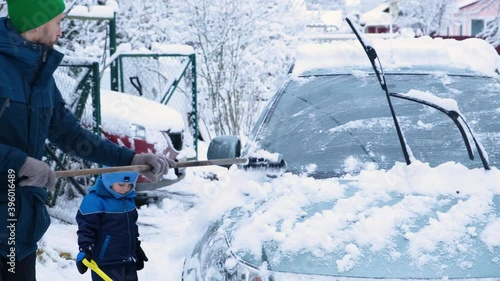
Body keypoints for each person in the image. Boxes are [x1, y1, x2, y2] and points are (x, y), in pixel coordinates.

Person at [0, 0, 168, 280]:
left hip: (19, 226)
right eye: (58, 22)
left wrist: (128, 160)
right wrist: (19, 163)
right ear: (37, 24)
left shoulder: (39, 76)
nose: (61, 32)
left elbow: (70, 134)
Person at [76, 171, 148, 281]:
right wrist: (85, 250)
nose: (125, 189)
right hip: (105, 263)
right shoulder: (94, 201)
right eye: (121, 185)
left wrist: (136, 246)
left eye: (129, 185)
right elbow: (86, 230)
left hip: (128, 261)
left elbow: (132, 227)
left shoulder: (128, 198)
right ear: (109, 181)